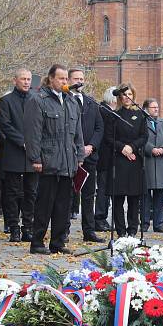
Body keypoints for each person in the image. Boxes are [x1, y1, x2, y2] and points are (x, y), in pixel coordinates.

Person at [24, 65, 84, 254]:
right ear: (51, 79)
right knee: (44, 204)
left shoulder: (71, 101)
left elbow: (78, 132)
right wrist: (35, 158)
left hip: (67, 162)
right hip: (48, 160)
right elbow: (32, 133)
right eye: (61, 79)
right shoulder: (38, 99)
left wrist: (79, 155)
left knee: (63, 205)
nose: (65, 82)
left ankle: (58, 242)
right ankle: (37, 242)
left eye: (66, 79)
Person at [103, 83, 148, 238]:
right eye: (124, 94)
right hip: (118, 160)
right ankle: (121, 231)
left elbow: (144, 136)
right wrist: (123, 148)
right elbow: (108, 137)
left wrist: (132, 147)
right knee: (118, 198)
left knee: (134, 198)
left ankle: (132, 230)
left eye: (129, 94)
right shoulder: (114, 115)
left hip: (135, 160)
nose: (127, 97)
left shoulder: (141, 115)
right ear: (119, 97)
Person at [0, 69, 38, 243]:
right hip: (14, 151)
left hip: (32, 153)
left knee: (31, 192)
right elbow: (5, 125)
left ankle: (27, 228)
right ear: (15, 80)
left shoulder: (36, 99)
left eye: (29, 79)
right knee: (12, 193)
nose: (27, 82)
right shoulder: (6, 100)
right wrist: (22, 141)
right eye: (23, 79)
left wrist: (33, 144)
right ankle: (14, 228)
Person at [66, 68, 105, 243]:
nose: (79, 81)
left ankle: (88, 231)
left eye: (82, 78)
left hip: (89, 156)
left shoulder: (91, 103)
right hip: (69, 157)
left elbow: (99, 127)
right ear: (68, 80)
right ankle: (63, 231)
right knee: (66, 195)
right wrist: (77, 148)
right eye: (76, 78)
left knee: (89, 196)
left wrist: (91, 146)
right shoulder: (64, 100)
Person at [141, 98, 163, 234]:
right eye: (153, 107)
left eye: (157, 107)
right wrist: (151, 149)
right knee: (145, 196)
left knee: (160, 196)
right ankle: (145, 222)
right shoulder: (142, 122)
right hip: (147, 162)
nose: (156, 109)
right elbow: (141, 139)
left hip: (161, 163)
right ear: (146, 109)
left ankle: (159, 223)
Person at [94, 87, 118, 232]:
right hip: (105, 156)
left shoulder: (114, 112)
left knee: (111, 189)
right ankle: (99, 218)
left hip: (114, 157)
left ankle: (107, 218)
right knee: (103, 189)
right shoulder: (103, 110)